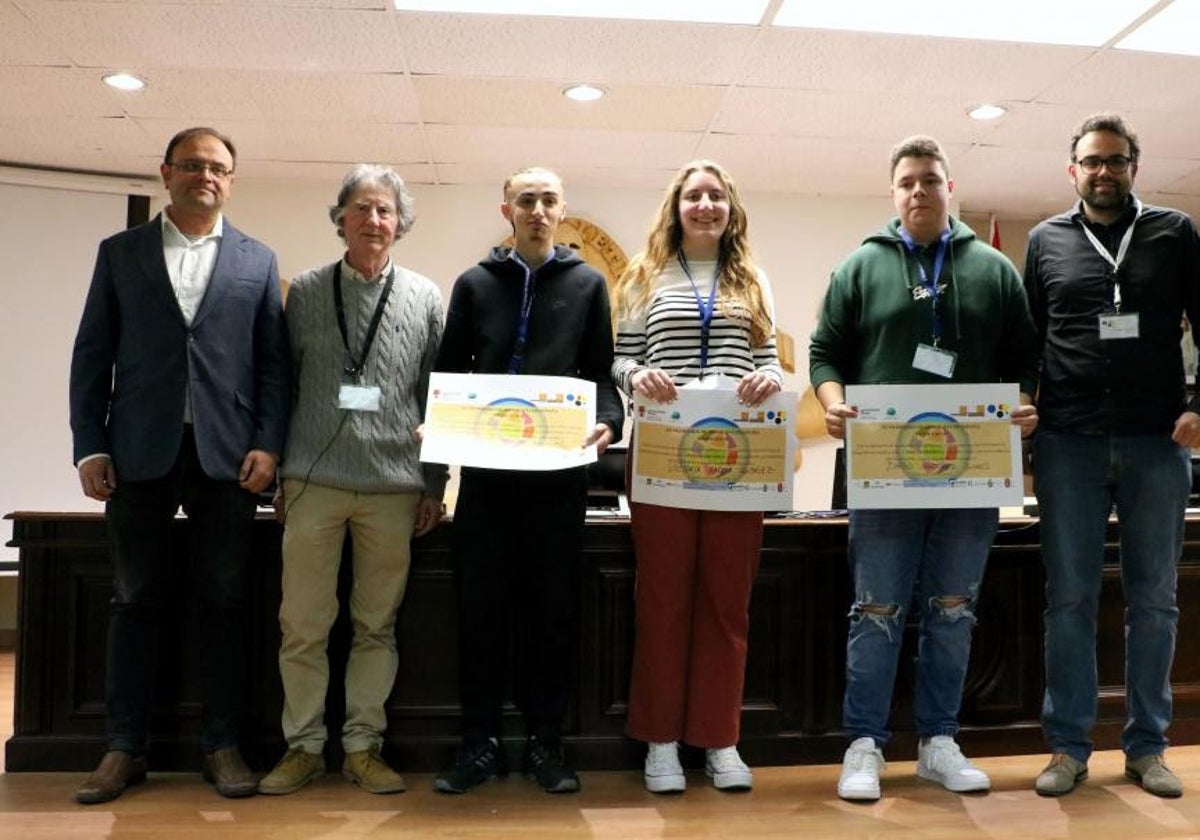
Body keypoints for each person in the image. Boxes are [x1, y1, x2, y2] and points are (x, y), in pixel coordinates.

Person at [809, 135, 1039, 802]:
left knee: (953, 607)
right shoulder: (861, 265)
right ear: (893, 192)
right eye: (908, 181)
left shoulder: (994, 268)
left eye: (930, 180)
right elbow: (826, 352)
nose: (919, 191)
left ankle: (938, 741)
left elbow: (1025, 356)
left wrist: (1024, 402)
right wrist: (832, 404)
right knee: (876, 609)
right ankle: (865, 746)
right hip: (883, 472)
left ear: (949, 188)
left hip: (970, 474)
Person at [68, 126, 291, 803]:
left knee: (223, 603)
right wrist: (91, 443)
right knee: (133, 599)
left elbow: (274, 367)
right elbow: (92, 353)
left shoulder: (258, 259)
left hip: (228, 457)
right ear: (166, 173)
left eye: (218, 167)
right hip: (138, 451)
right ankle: (123, 748)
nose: (206, 176)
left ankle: (222, 744)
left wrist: (269, 444)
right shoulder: (121, 253)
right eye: (192, 165)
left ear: (232, 178)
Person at [431, 166, 623, 795]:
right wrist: (438, 425)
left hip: (557, 481)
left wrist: (607, 422)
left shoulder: (589, 284)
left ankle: (547, 744)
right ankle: (478, 744)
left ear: (562, 210)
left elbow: (600, 375)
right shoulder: (474, 284)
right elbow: (450, 372)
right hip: (485, 481)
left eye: (548, 201)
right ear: (506, 209)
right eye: (526, 200)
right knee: (479, 613)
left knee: (552, 614)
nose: (537, 210)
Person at [1025, 113, 1200, 799]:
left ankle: (1147, 746)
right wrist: (1019, 403)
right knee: (1068, 599)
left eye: (1116, 160)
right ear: (1073, 170)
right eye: (1092, 161)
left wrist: (1197, 404)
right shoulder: (1045, 240)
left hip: (1157, 441)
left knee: (1154, 600)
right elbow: (1028, 337)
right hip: (1068, 440)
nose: (1104, 171)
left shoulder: (1175, 232)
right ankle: (1067, 749)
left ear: (1134, 165)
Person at [256, 165, 446, 797]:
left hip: (393, 486)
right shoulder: (305, 292)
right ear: (340, 219)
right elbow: (280, 386)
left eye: (385, 211)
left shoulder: (425, 297)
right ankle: (304, 747)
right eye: (361, 209)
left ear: (401, 223)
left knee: (376, 626)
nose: (373, 220)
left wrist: (433, 483)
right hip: (314, 482)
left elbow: (435, 400)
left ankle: (362, 746)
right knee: (302, 624)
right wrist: (280, 472)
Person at [610, 160, 782, 794]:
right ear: (675, 207)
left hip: (736, 457)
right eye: (693, 196)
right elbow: (620, 358)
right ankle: (660, 741)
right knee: (662, 598)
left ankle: (720, 739)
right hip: (662, 452)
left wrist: (768, 379)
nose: (705, 205)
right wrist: (635, 377)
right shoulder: (642, 275)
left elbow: (766, 360)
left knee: (726, 602)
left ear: (730, 208)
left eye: (716, 196)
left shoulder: (753, 280)